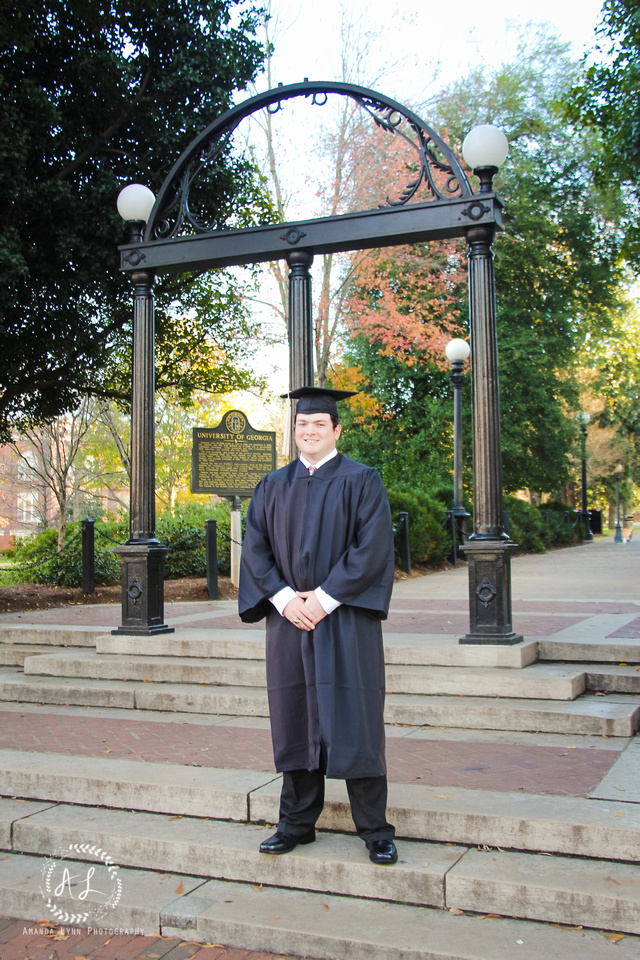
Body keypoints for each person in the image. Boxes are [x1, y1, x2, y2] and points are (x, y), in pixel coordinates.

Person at [238, 386, 397, 865]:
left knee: (356, 718)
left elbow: (371, 550)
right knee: (295, 717)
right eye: (302, 425)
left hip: (344, 618)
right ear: (295, 431)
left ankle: (375, 830)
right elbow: (256, 549)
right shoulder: (272, 485)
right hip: (289, 621)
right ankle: (295, 824)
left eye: (319, 425)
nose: (309, 431)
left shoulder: (362, 480)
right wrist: (286, 600)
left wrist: (323, 600)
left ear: (336, 430)